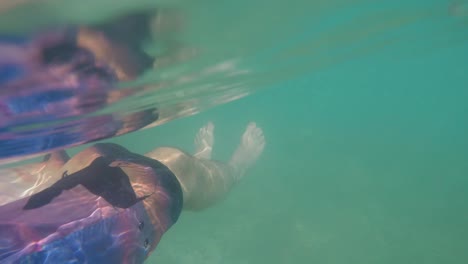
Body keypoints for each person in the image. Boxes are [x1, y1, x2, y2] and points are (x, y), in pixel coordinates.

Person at [0, 121, 265, 263]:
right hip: (118, 220)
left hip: (73, 185)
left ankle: (206, 162)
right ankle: (235, 169)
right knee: (178, 168)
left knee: (164, 164)